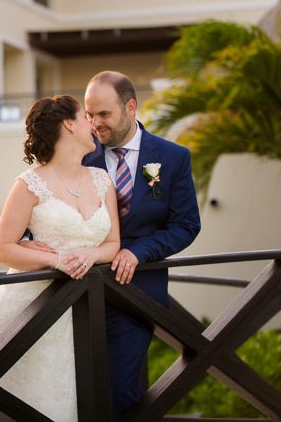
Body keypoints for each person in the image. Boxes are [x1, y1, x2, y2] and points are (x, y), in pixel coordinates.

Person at [22, 71, 201, 419]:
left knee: (120, 393)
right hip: (71, 297)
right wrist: (35, 244)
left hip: (137, 297)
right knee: (72, 394)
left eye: (103, 114)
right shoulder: (81, 154)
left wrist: (138, 251)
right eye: (88, 115)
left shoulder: (172, 157)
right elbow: (46, 205)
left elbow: (186, 225)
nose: (94, 123)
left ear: (130, 107)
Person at [0, 95, 120, 421]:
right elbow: (2, 248)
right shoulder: (29, 184)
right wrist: (56, 261)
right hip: (27, 308)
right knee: (18, 402)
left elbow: (113, 243)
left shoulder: (102, 181)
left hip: (79, 310)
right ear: (68, 124)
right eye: (84, 117)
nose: (91, 124)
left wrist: (91, 254)